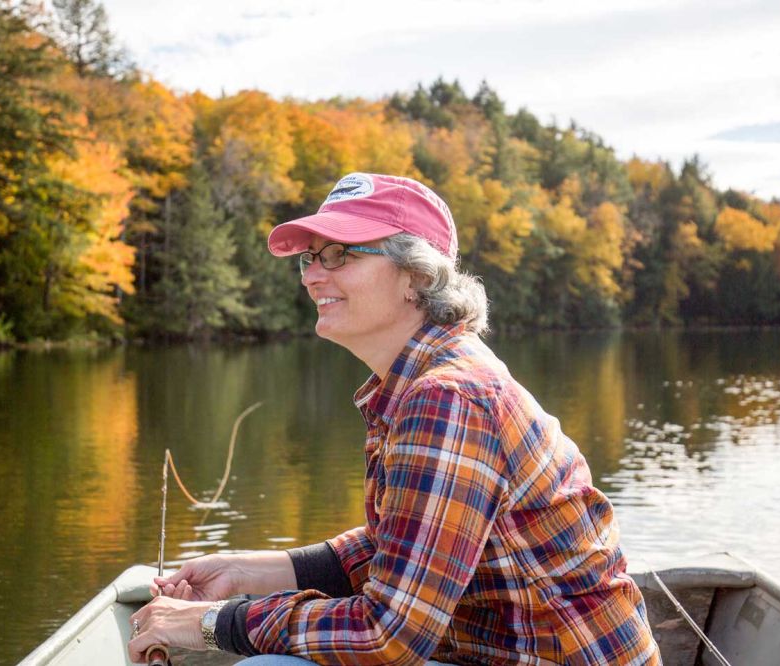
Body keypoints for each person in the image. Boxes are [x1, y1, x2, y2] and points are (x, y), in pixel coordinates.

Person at [128, 173, 661, 665]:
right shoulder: (426, 378)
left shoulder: (446, 395)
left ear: (416, 275)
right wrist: (249, 573)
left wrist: (213, 623)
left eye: (338, 255)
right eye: (309, 258)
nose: (313, 275)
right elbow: (408, 538)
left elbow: (388, 634)